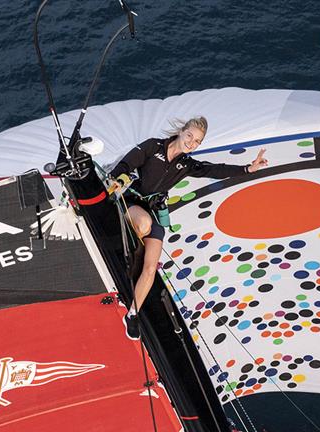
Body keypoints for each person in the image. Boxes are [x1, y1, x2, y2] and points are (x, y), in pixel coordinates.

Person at [110, 116, 268, 340]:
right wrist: (118, 177)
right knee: (143, 225)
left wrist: (248, 169)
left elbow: (215, 170)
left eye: (197, 142)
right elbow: (126, 164)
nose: (191, 143)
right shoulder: (153, 146)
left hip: (154, 210)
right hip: (132, 202)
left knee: (151, 267)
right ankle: (126, 254)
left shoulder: (186, 164)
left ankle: (133, 314)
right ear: (181, 132)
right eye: (190, 137)